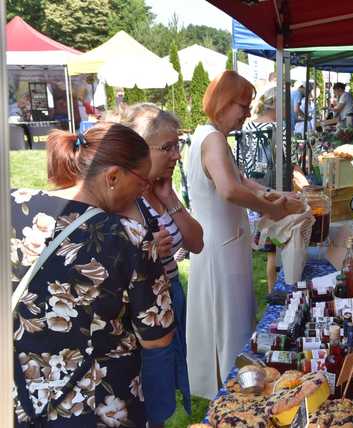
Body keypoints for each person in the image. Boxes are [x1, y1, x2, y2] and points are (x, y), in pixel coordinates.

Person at [11, 122, 175, 427]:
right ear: (112, 176)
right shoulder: (131, 236)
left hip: (20, 398)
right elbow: (157, 337)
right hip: (99, 406)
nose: (144, 191)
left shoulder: (13, 205)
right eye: (141, 183)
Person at [186, 70, 290, 399]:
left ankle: (232, 383)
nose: (247, 113)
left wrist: (272, 195)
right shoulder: (213, 138)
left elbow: (243, 181)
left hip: (222, 242)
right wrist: (271, 208)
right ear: (225, 103)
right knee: (227, 321)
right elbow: (230, 190)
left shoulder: (209, 136)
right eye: (244, 106)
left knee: (228, 317)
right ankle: (234, 389)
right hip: (220, 246)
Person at [111, 103, 205, 426]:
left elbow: (196, 242)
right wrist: (147, 247)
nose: (177, 154)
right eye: (168, 147)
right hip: (143, 320)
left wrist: (170, 199)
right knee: (150, 403)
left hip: (171, 298)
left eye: (177, 145)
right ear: (139, 148)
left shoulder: (160, 190)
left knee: (164, 395)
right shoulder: (124, 199)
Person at [243, 87, 279, 291]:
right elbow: (288, 162)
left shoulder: (248, 126)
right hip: (273, 190)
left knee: (267, 247)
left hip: (252, 190)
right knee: (275, 248)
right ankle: (274, 290)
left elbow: (242, 161)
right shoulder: (276, 128)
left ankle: (270, 290)